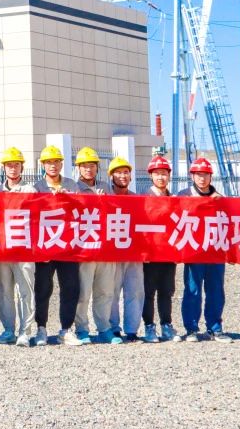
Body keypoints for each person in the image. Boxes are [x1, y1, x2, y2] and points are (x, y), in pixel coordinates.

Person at [32, 145, 92, 346]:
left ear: (61, 164)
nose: (53, 165)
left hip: (68, 245)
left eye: (56, 161)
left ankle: (66, 329)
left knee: (71, 287)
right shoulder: (37, 187)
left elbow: (82, 210)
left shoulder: (72, 185)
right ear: (43, 165)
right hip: (46, 245)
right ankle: (41, 328)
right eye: (49, 162)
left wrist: (69, 199)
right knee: (43, 288)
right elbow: (32, 214)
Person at [178, 158, 231, 343]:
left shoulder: (220, 198)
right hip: (193, 251)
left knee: (216, 290)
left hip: (215, 251)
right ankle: (191, 328)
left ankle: (215, 328)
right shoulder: (183, 196)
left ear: (211, 177)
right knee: (192, 290)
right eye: (198, 175)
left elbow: (230, 223)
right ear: (192, 176)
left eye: (206, 175)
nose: (202, 178)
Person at [98, 156, 145, 344]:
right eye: (118, 172)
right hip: (112, 253)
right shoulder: (104, 197)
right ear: (111, 176)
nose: (123, 176)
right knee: (112, 291)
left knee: (135, 291)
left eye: (126, 172)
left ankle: (132, 330)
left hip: (134, 253)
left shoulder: (137, 199)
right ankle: (113, 328)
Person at [0, 146, 36, 347]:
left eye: (16, 165)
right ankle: (8, 329)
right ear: (4, 167)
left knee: (26, 290)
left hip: (23, 249)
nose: (12, 168)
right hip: (2, 250)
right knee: (2, 290)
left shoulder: (30, 191)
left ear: (22, 167)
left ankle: (25, 331)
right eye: (9, 165)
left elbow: (37, 219)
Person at [73, 146, 113, 343]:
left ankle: (104, 328)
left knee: (105, 291)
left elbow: (117, 214)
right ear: (78, 168)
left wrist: (106, 201)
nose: (88, 169)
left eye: (92, 166)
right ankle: (81, 328)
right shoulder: (74, 189)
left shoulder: (106, 187)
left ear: (97, 167)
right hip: (84, 249)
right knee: (83, 291)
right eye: (84, 166)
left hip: (104, 248)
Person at [141, 154, 180, 343]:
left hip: (168, 252)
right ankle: (149, 326)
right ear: (151, 176)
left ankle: (166, 324)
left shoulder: (175, 199)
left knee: (166, 291)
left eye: (164, 173)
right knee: (148, 291)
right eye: (157, 173)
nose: (161, 177)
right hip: (150, 254)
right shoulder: (143, 199)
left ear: (169, 175)